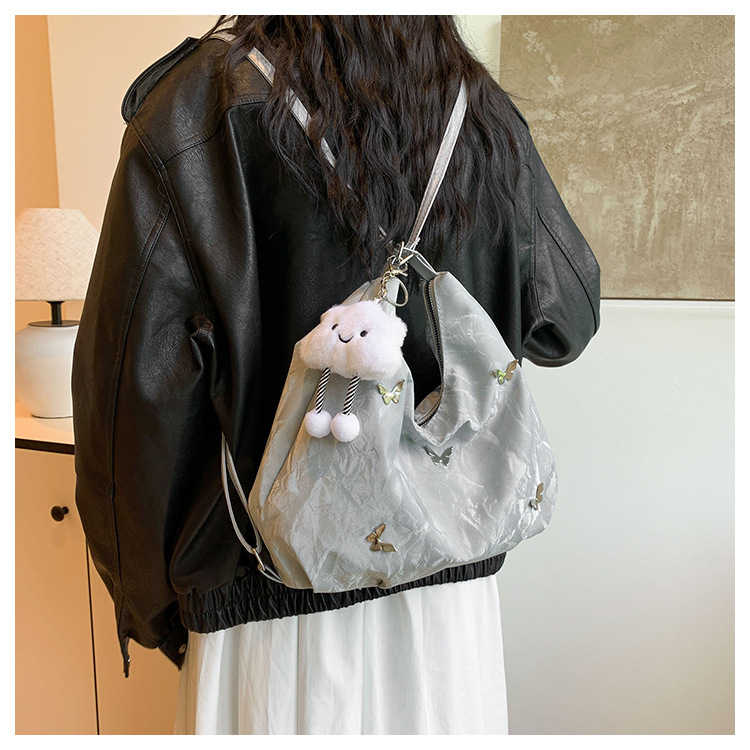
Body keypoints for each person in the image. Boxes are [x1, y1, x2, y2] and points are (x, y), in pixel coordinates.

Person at [72, 15, 600, 735]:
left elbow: (127, 413)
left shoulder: (194, 112)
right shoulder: (477, 112)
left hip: (266, 612)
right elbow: (566, 321)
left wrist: (151, 609)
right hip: (446, 606)